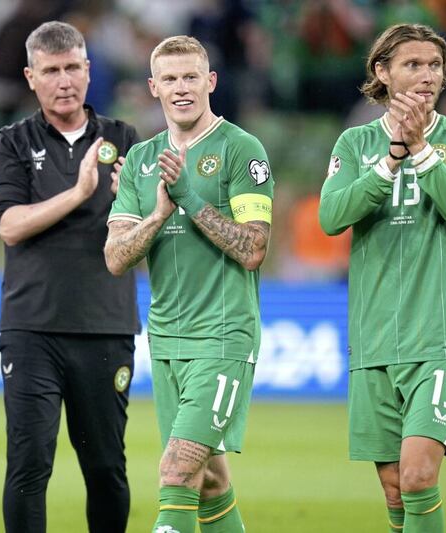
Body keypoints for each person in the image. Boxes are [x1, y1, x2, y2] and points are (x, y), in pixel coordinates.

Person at [319, 23, 446, 533]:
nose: (426, 76)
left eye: (434, 65)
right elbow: (332, 217)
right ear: (382, 72)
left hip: (438, 338)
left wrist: (419, 150)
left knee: (417, 476)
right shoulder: (355, 144)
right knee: (394, 485)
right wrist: (391, 158)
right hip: (373, 340)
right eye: (412, 65)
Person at [105, 35, 275, 532]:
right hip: (166, 341)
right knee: (211, 483)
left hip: (223, 337)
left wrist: (189, 199)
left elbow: (253, 249)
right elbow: (115, 257)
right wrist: (158, 214)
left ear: (211, 82)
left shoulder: (242, 150)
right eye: (171, 79)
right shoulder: (141, 160)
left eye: (191, 77)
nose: (182, 88)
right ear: (153, 87)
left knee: (177, 471)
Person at [0, 21, 140, 533]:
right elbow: (9, 226)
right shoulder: (12, 142)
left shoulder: (124, 140)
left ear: (88, 70)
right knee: (29, 467)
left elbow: (144, 234)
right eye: (51, 71)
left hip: (105, 327)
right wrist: (78, 194)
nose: (64, 80)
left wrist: (137, 207)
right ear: (31, 77)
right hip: (32, 330)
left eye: (73, 67)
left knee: (105, 468)